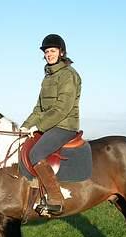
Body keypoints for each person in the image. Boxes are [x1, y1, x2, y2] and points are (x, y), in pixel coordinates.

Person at [20, 34, 82, 216]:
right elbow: (39, 108)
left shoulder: (69, 75)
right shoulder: (48, 77)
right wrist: (25, 126)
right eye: (47, 51)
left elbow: (62, 108)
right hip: (50, 125)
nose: (49, 54)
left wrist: (39, 127)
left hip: (65, 125)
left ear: (61, 52)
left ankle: (55, 198)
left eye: (53, 51)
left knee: (37, 153)